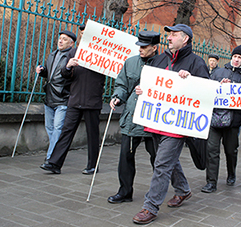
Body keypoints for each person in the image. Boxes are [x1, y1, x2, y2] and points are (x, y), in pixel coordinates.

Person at [132, 24, 210, 224]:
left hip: (177, 127)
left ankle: (150, 206)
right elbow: (149, 84)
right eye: (170, 34)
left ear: (185, 39)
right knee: (167, 160)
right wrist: (142, 89)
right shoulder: (159, 59)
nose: (169, 37)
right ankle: (183, 190)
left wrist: (190, 81)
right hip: (155, 121)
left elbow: (205, 94)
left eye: (174, 35)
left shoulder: (196, 62)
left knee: (162, 164)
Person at [39, 26, 106, 175]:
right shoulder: (73, 52)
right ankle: (54, 163)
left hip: (92, 101)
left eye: (86, 34)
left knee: (92, 134)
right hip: (74, 100)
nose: (83, 36)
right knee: (66, 132)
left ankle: (92, 165)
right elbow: (64, 74)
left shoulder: (102, 54)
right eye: (81, 34)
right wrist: (68, 67)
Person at [107, 31, 160, 204]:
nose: (141, 49)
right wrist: (117, 97)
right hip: (132, 116)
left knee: (158, 158)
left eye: (145, 47)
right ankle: (125, 191)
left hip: (154, 118)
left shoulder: (164, 64)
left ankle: (160, 192)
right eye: (139, 46)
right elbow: (122, 84)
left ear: (155, 47)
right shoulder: (130, 62)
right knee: (125, 157)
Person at [201, 45, 241, 193]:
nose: (236, 60)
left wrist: (233, 87)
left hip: (232, 122)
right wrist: (218, 85)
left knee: (231, 151)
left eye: (240, 58)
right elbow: (208, 88)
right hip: (214, 119)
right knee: (212, 151)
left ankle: (231, 173)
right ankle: (211, 182)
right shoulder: (218, 72)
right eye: (235, 57)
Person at [36, 30, 76, 161]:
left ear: (71, 43)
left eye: (64, 39)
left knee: (58, 128)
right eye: (60, 38)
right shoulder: (52, 55)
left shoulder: (72, 56)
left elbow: (72, 76)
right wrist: (42, 71)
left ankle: (51, 157)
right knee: (50, 128)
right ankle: (54, 153)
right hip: (49, 96)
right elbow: (50, 74)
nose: (60, 41)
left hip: (63, 97)